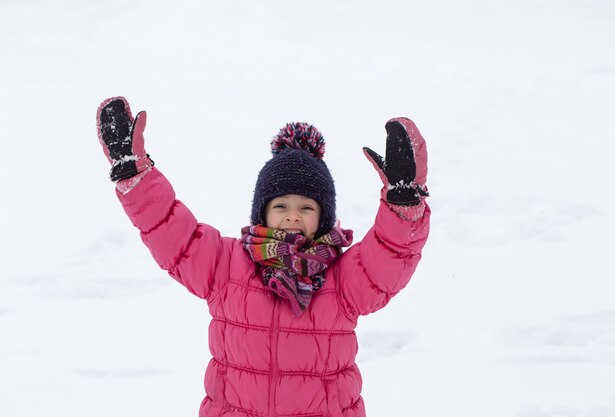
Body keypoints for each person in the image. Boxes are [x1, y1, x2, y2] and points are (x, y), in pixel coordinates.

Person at [96, 96, 431, 417]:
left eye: (306, 208)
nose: (293, 216)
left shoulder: (342, 277)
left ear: (324, 216)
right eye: (281, 206)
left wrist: (403, 206)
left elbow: (390, 255)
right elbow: (170, 231)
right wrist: (135, 177)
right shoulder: (226, 264)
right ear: (263, 212)